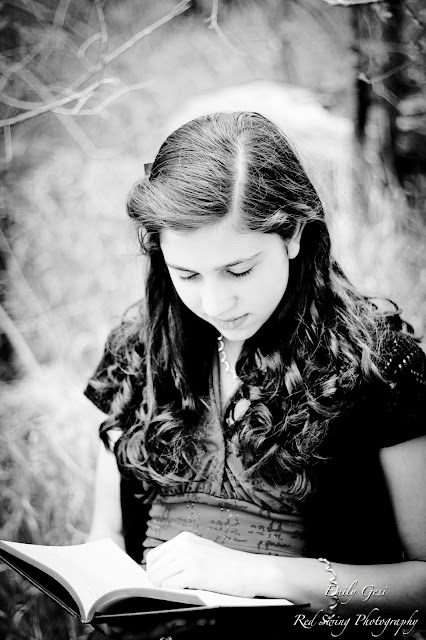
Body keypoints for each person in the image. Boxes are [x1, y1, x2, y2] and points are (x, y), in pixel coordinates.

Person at [84, 112, 426, 636]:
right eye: (187, 275)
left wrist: (263, 574)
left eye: (239, 270)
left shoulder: (379, 365)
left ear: (292, 234)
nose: (215, 303)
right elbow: (105, 535)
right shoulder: (139, 350)